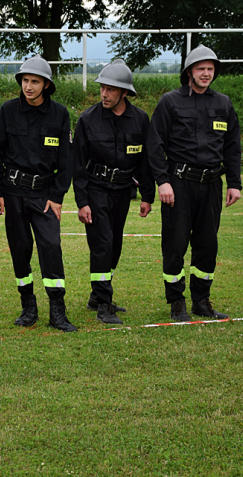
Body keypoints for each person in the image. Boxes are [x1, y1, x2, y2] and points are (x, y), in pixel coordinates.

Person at [146, 44, 242, 322]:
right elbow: (155, 145)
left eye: (210, 69)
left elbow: (232, 146)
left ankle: (202, 300)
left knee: (207, 244)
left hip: (211, 184)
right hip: (178, 185)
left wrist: (234, 182)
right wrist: (162, 182)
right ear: (189, 71)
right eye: (201, 68)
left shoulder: (223, 103)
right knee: (175, 244)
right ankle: (177, 303)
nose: (206, 73)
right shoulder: (170, 102)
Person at [0, 55, 76, 332]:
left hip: (45, 195)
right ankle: (28, 306)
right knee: (20, 250)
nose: (28, 86)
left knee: (51, 248)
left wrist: (58, 195)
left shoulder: (59, 114)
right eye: (25, 80)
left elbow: (65, 159)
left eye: (34, 81)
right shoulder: (8, 110)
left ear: (46, 85)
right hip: (13, 193)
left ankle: (57, 310)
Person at [73, 59, 155, 325]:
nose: (104, 94)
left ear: (124, 92)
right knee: (102, 245)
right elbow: (78, 165)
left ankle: (97, 296)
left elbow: (145, 161)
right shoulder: (87, 119)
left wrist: (147, 195)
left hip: (123, 192)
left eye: (110, 89)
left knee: (115, 247)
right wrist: (82, 202)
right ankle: (103, 305)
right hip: (96, 190)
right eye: (102, 89)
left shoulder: (140, 119)